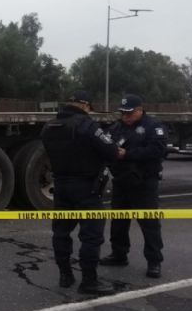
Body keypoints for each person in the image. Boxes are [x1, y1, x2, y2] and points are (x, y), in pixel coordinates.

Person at [41, 90, 119, 295]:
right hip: (87, 188)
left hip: (61, 187)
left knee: (61, 233)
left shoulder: (49, 127)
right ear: (85, 106)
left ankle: (65, 276)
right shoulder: (87, 125)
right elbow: (111, 151)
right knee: (91, 236)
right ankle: (89, 281)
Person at [100, 94, 167, 278]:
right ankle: (119, 254)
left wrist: (127, 154)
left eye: (129, 113)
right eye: (122, 113)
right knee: (119, 220)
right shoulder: (117, 127)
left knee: (149, 223)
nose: (125, 117)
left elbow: (158, 150)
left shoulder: (153, 126)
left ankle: (154, 261)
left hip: (144, 182)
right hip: (122, 181)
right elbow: (107, 145)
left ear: (139, 110)